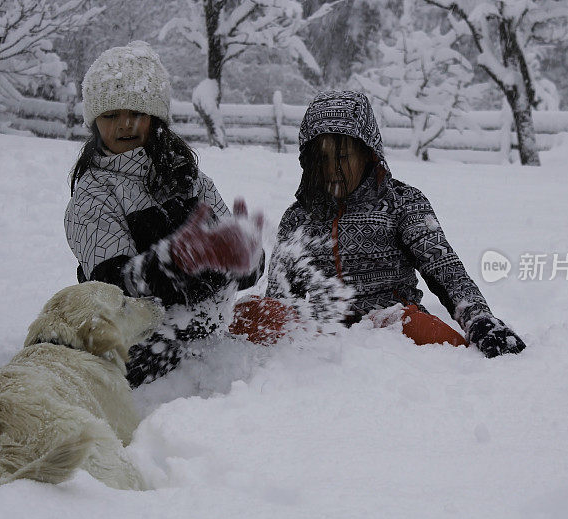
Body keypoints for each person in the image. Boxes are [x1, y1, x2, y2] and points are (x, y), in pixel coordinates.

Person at [262, 90, 525, 358]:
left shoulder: (401, 203)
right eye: (322, 159)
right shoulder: (300, 217)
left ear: (367, 153)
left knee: (424, 329)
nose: (332, 170)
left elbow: (445, 270)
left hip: (394, 328)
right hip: (326, 339)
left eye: (342, 157)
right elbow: (281, 299)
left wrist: (479, 319)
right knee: (252, 314)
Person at [64, 41, 264, 387]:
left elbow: (239, 272)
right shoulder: (93, 196)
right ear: (94, 121)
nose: (125, 124)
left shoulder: (191, 181)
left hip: (207, 343)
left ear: (155, 117)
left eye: (136, 113)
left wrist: (246, 258)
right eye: (111, 115)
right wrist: (171, 263)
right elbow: (113, 291)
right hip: (136, 357)